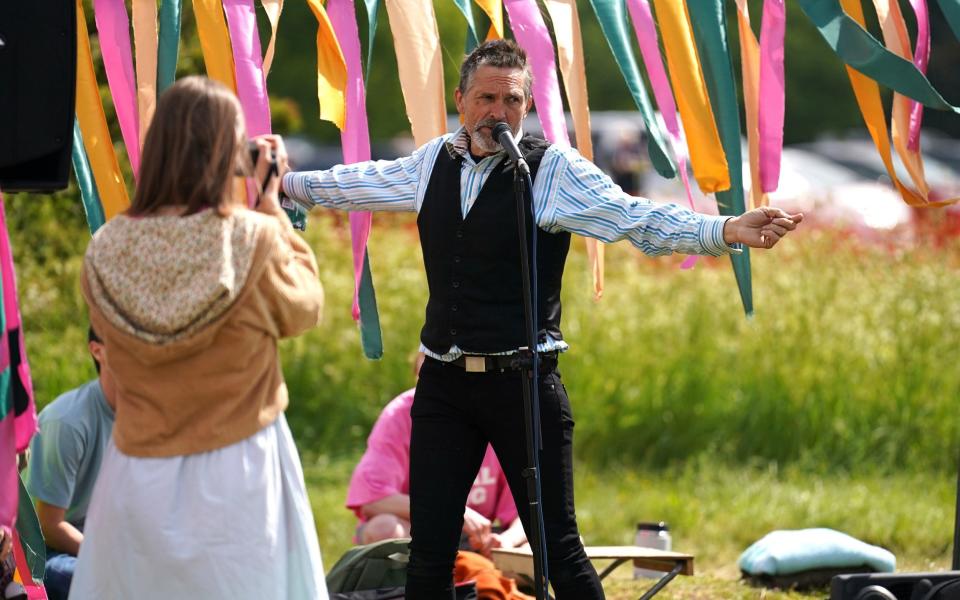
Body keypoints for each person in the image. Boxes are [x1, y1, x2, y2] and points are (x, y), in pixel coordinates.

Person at [281, 40, 802, 599]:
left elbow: (634, 217)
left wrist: (724, 230)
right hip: (445, 384)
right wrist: (286, 184)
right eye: (485, 97)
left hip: (523, 382)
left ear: (525, 107)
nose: (497, 112)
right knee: (427, 556)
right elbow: (361, 182)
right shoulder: (431, 161)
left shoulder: (549, 171)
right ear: (461, 100)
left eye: (511, 100)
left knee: (557, 549)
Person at [69, 76, 327, 599]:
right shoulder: (253, 238)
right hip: (239, 469)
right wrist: (271, 203)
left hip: (136, 469)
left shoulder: (104, 248)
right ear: (227, 152)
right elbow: (305, 308)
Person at [347, 355, 527, 557]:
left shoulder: (499, 416)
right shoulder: (399, 416)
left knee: (533, 546)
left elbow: (526, 509)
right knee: (385, 529)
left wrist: (506, 541)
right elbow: (372, 500)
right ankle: (405, 588)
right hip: (417, 536)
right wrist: (453, 513)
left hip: (477, 542)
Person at [22, 328, 113, 600]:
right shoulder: (69, 421)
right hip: (47, 550)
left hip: (101, 538)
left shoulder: (148, 419)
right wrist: (113, 559)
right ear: (98, 351)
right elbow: (49, 527)